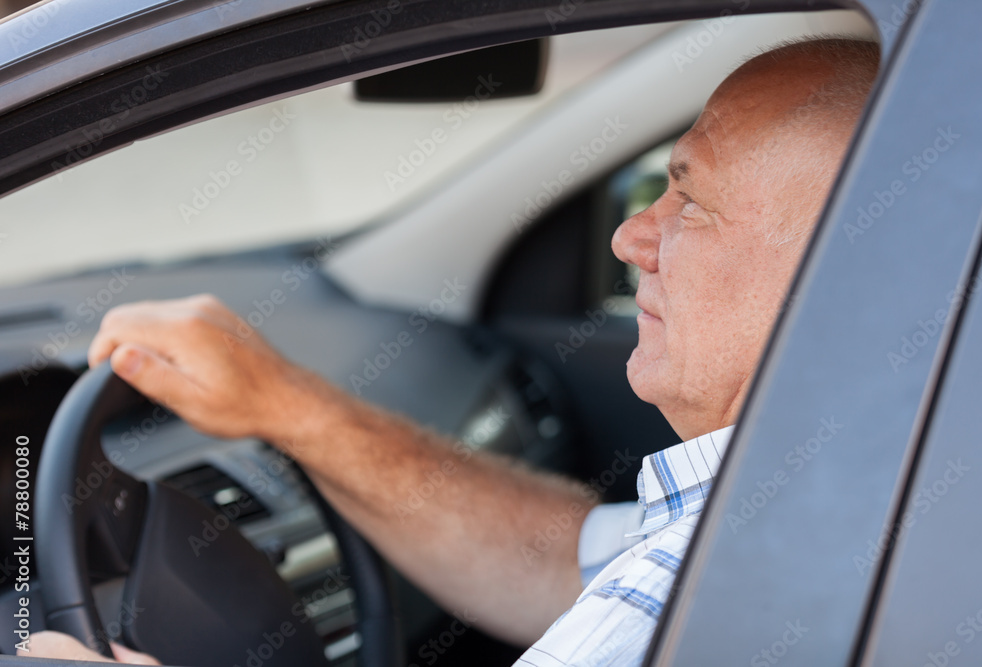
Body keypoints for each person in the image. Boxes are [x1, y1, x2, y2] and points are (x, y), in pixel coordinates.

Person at [22, 36, 879, 666]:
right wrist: (291, 408)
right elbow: (566, 563)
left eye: (690, 203)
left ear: (845, 268)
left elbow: (623, 595)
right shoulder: (847, 480)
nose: (628, 235)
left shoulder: (677, 609)